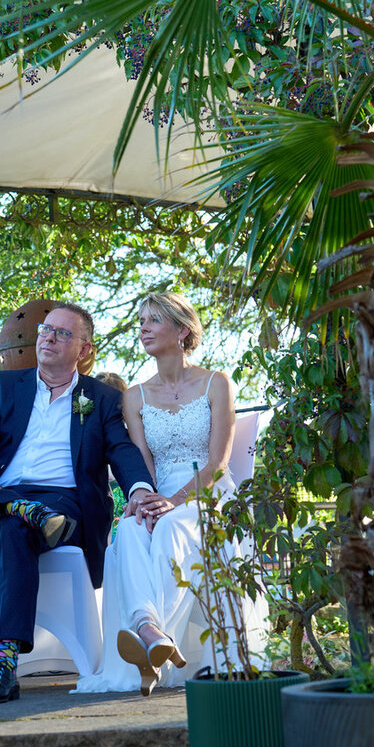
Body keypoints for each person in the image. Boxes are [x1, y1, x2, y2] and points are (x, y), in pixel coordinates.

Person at [0, 302, 154, 706]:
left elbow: (122, 450)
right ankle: (17, 508)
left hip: (63, 507)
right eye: (46, 329)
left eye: (63, 333)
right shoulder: (5, 384)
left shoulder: (101, 398)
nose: (48, 337)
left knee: (13, 528)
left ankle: (3, 661)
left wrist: (140, 490)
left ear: (84, 349)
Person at [75, 292, 268, 696]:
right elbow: (143, 468)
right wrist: (142, 501)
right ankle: (150, 630)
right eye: (141, 321)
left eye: (153, 320)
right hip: (160, 494)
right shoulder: (135, 396)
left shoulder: (216, 383)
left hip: (208, 495)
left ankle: (148, 640)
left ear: (182, 330)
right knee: (130, 531)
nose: (142, 328)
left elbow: (218, 464)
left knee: (170, 527)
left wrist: (175, 502)